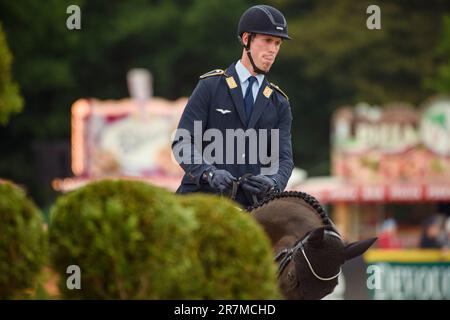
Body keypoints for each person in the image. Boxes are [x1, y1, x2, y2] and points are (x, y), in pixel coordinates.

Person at [172, 5, 294, 208]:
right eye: (267, 41)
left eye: (277, 43)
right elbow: (182, 143)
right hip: (202, 199)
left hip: (251, 208)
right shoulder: (210, 86)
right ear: (247, 39)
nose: (273, 50)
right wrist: (207, 172)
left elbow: (284, 160)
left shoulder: (279, 102)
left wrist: (273, 182)